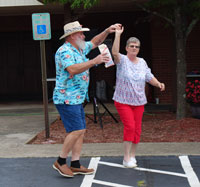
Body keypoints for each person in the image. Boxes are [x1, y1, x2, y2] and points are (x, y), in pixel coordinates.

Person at [52, 21, 121, 177]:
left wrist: (107, 30)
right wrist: (94, 61)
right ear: (71, 36)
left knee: (80, 131)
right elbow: (72, 69)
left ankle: (75, 164)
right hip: (66, 98)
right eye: (81, 33)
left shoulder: (79, 47)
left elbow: (95, 42)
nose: (84, 36)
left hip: (76, 98)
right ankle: (60, 161)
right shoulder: (64, 51)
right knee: (77, 130)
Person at [112, 26, 165, 168]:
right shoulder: (122, 60)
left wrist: (158, 83)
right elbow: (115, 52)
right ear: (127, 48)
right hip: (123, 101)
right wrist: (118, 35)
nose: (134, 48)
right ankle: (126, 158)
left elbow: (149, 77)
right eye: (131, 46)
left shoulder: (142, 62)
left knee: (137, 129)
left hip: (139, 101)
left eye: (137, 46)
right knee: (129, 126)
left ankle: (132, 156)